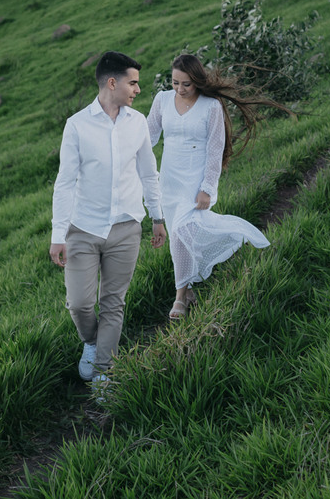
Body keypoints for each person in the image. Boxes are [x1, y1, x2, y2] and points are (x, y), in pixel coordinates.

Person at [50, 51, 166, 387]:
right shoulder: (77, 126)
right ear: (112, 83)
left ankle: (103, 371)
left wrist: (156, 217)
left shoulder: (138, 123)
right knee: (80, 304)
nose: (138, 90)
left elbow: (149, 172)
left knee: (114, 303)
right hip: (82, 230)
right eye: (133, 83)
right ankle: (91, 342)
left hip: (127, 227)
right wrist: (59, 234)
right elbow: (65, 183)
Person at [147, 54, 282, 320]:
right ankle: (187, 291)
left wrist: (207, 187)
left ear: (197, 81)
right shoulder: (162, 100)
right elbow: (148, 137)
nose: (180, 89)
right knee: (179, 239)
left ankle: (179, 299)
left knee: (181, 229)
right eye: (175, 82)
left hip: (195, 180)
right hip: (170, 180)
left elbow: (214, 149)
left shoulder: (211, 107)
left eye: (186, 84)